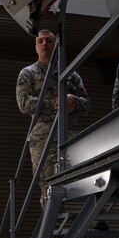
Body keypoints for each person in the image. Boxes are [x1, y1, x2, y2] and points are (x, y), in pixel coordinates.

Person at [16, 29, 89, 205]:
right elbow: (24, 104)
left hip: (69, 137)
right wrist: (57, 104)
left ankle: (84, 224)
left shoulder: (70, 74)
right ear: (35, 47)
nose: (44, 45)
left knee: (81, 182)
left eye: (48, 41)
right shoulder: (28, 74)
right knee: (49, 188)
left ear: (56, 44)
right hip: (43, 141)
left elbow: (86, 104)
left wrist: (74, 100)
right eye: (40, 41)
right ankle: (53, 231)